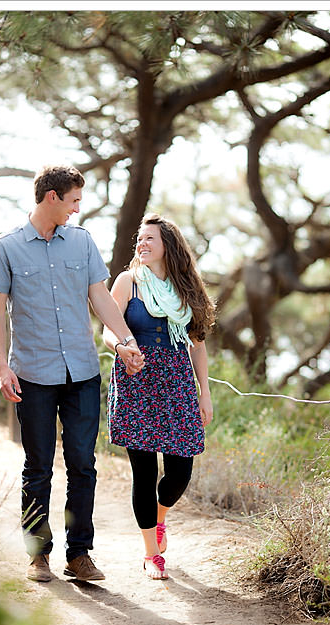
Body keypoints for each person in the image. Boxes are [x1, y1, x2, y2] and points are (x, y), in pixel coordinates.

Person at [0, 165, 144, 583]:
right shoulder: (6, 248)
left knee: (82, 465)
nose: (77, 208)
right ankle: (38, 554)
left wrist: (125, 339)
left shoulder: (83, 242)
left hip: (82, 373)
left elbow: (101, 299)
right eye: (73, 200)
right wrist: (3, 366)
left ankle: (80, 554)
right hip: (32, 375)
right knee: (38, 467)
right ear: (51, 197)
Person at [104, 213, 216, 580]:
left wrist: (205, 393)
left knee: (180, 470)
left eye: (151, 238)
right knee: (144, 471)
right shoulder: (128, 282)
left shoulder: (188, 291)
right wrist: (121, 346)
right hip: (136, 380)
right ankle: (151, 554)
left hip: (178, 385)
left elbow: (197, 345)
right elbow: (108, 329)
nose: (143, 243)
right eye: (140, 237)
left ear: (169, 245)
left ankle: (160, 516)